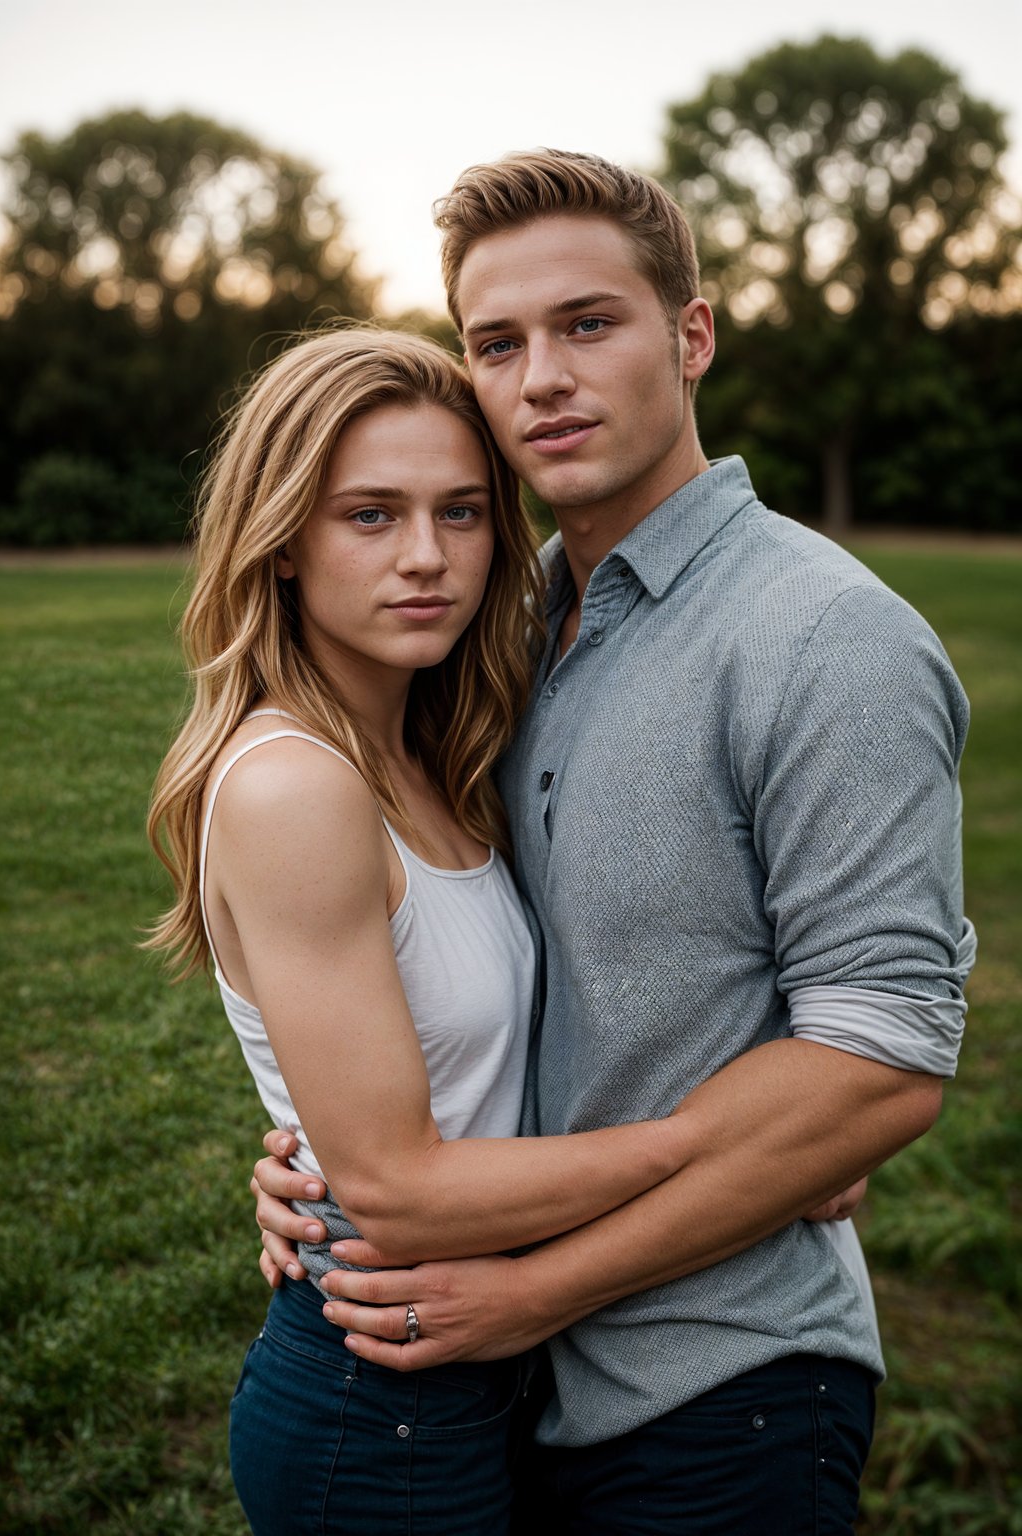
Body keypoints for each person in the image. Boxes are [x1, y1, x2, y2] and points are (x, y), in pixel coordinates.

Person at [251, 153, 974, 1533]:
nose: (543, 380)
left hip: (720, 1383)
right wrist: (324, 1156)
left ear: (691, 335)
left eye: (591, 324)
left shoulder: (829, 639)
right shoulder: (491, 626)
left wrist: (539, 1287)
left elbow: (881, 1065)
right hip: (485, 1379)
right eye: (498, 344)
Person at [147, 326, 786, 1534]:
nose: (427, 558)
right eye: (371, 516)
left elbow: (419, 1089)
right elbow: (396, 1185)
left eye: (460, 512)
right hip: (378, 1387)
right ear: (282, 542)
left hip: (488, 1366)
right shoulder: (296, 784)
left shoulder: (436, 754)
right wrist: (737, 1155)